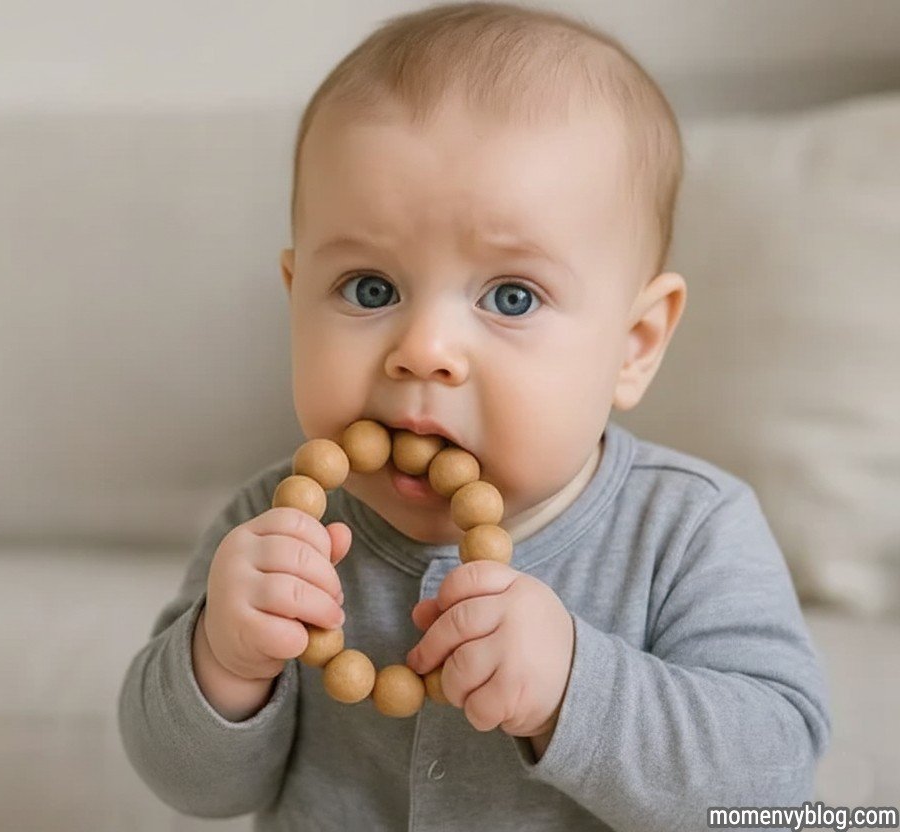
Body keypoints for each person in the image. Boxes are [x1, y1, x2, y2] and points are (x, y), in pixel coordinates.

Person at [117, 3, 831, 829]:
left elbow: (774, 789)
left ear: (633, 345)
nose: (423, 350)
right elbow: (189, 785)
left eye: (512, 296)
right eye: (370, 289)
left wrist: (576, 689)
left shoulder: (689, 530)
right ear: (295, 302)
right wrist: (223, 662)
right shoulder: (273, 528)